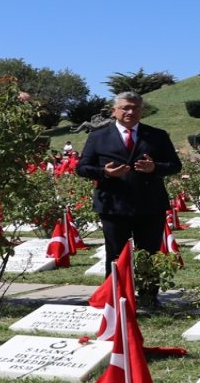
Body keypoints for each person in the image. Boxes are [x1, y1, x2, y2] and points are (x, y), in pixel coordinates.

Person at [76, 92, 182, 280]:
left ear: (142, 111)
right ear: (114, 110)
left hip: (150, 205)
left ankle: (149, 297)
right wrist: (104, 172)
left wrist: (154, 167)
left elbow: (175, 165)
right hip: (113, 205)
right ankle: (115, 298)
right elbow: (82, 168)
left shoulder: (157, 135)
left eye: (136, 108)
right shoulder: (98, 136)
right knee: (116, 255)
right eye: (126, 107)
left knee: (149, 254)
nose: (131, 111)